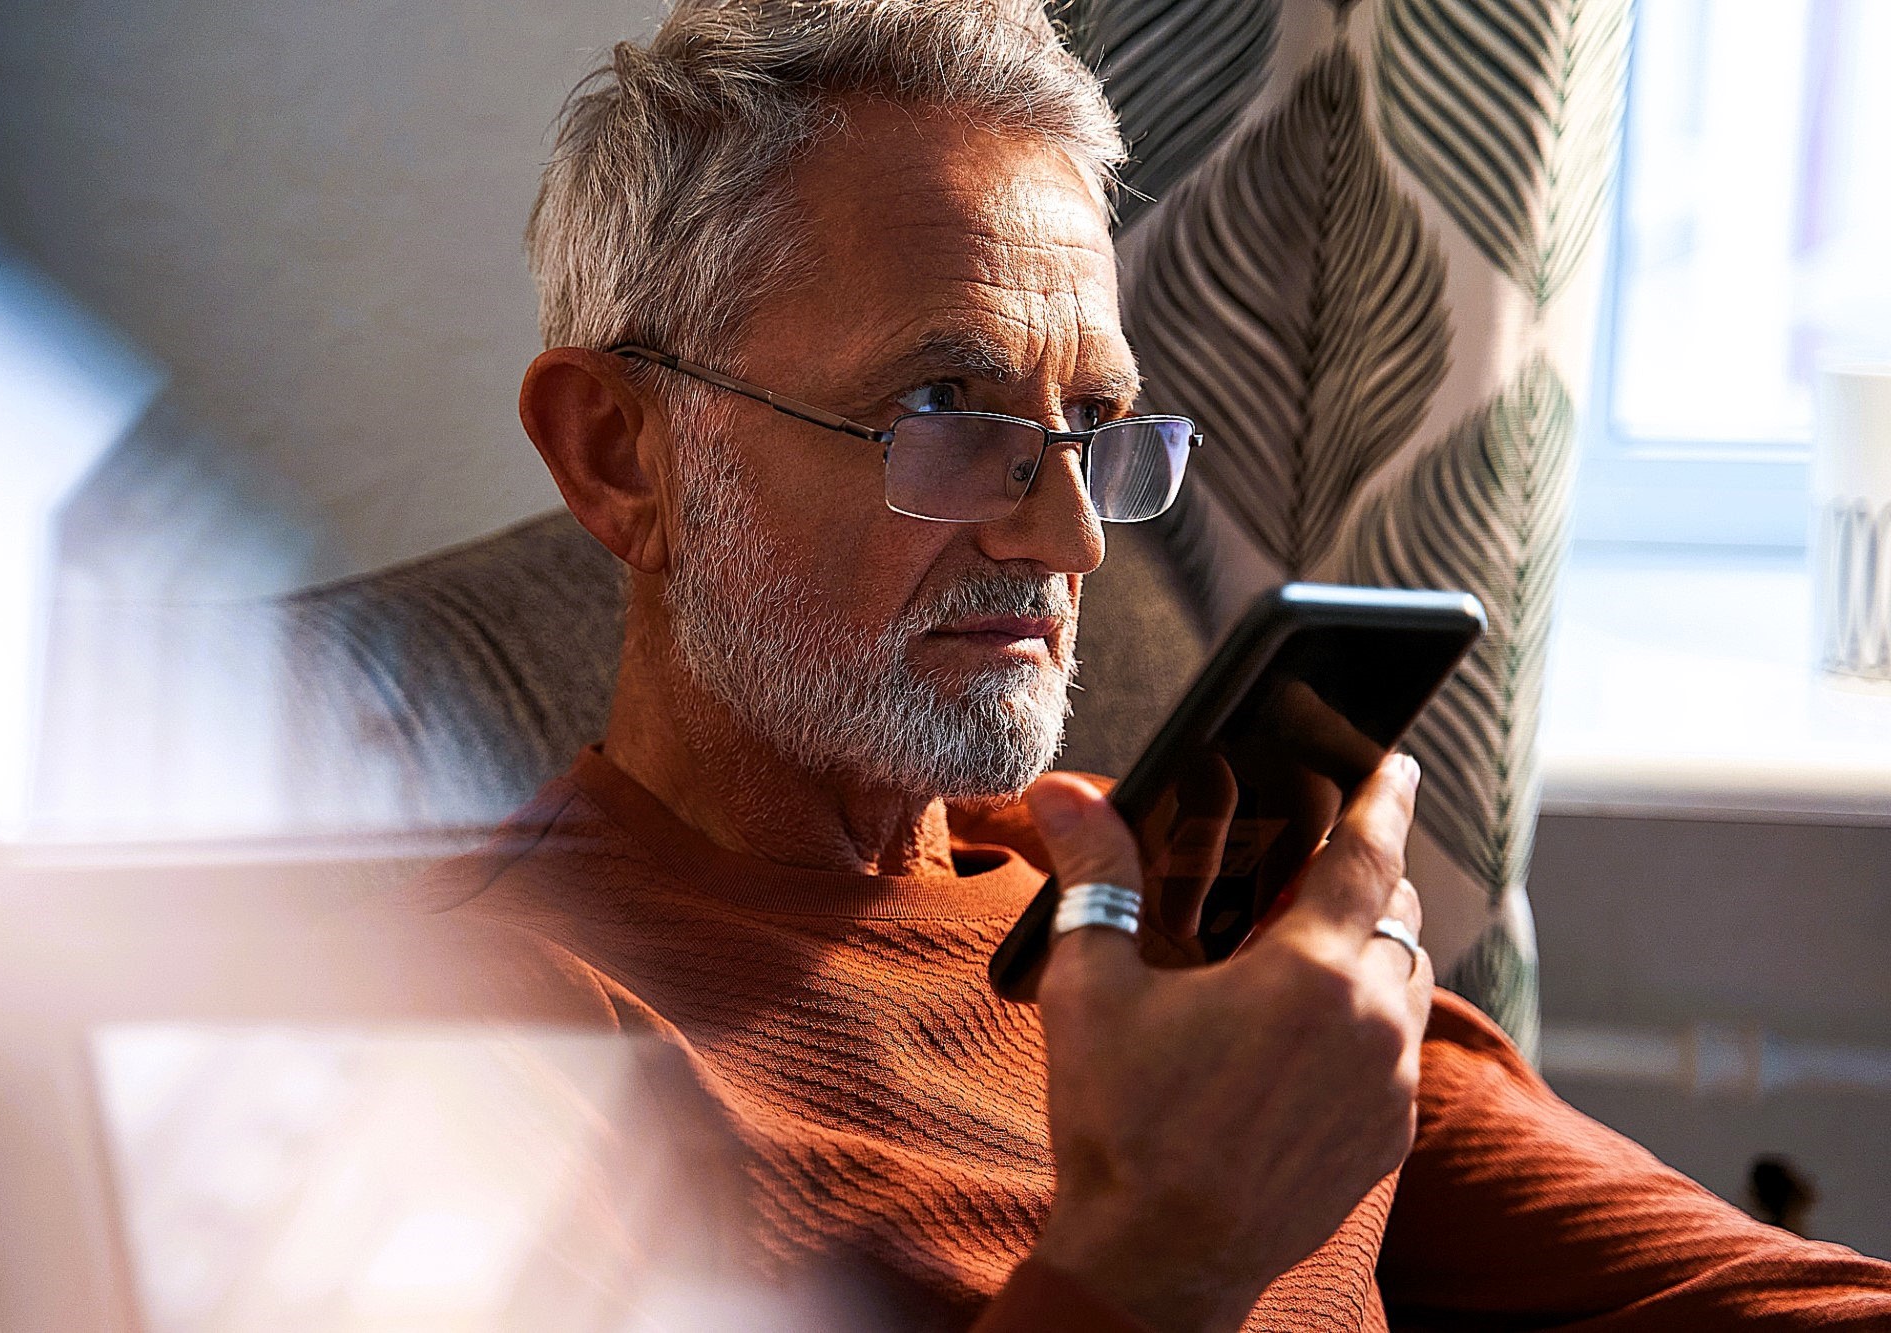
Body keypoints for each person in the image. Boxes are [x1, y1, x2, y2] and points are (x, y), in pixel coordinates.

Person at [413, 1, 1891, 1327]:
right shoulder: (481, 1023)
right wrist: (1165, 1250)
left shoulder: (1170, 886)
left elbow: (1740, 1287)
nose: (1070, 536)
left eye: (1093, 425)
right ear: (622, 455)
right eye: (944, 404)